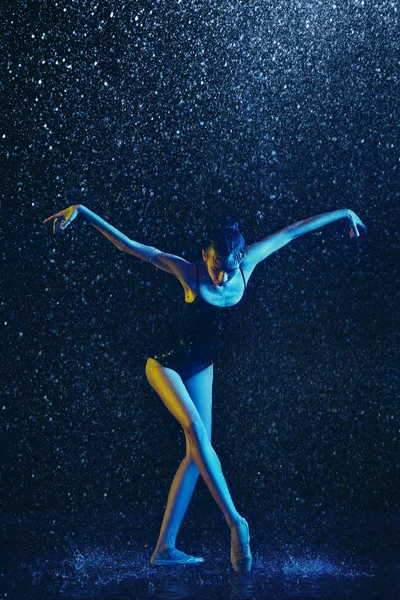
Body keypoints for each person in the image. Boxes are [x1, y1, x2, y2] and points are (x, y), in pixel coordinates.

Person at [43, 204, 366, 572]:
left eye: (229, 269)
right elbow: (133, 247)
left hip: (201, 368)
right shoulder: (189, 272)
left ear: (240, 258)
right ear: (204, 257)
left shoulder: (246, 266)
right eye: (216, 268)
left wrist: (343, 213)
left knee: (197, 455)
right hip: (165, 365)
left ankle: (164, 548)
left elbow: (293, 231)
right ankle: (235, 522)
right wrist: (83, 213)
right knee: (197, 433)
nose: (223, 279)